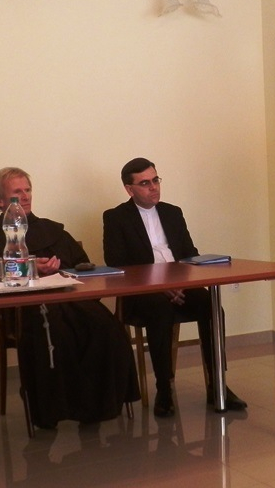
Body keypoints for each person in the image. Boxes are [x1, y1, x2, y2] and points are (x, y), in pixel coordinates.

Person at [0, 167, 140, 430]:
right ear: (0, 200)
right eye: (17, 192)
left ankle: (100, 405)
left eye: (28, 190)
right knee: (57, 332)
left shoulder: (54, 231)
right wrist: (32, 269)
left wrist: (62, 270)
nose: (25, 196)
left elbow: (83, 265)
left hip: (73, 301)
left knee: (108, 327)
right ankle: (55, 409)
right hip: (28, 309)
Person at [102, 157, 247, 418]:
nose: (153, 187)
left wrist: (179, 282)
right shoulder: (115, 217)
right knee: (160, 310)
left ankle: (217, 385)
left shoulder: (173, 212)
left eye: (155, 180)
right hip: (142, 293)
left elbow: (189, 254)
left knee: (212, 306)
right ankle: (164, 388)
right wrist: (159, 285)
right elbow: (117, 263)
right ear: (129, 189)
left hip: (180, 285)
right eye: (145, 183)